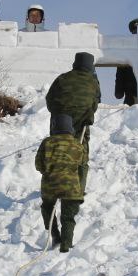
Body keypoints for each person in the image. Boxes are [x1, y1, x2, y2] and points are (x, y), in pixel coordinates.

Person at [45, 52, 100, 188]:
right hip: (81, 124)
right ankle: (78, 189)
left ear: (75, 63)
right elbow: (95, 103)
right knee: (81, 155)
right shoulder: (93, 82)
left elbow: (49, 99)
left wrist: (58, 113)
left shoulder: (62, 78)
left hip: (59, 122)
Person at [36, 113, 86, 253]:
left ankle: (55, 236)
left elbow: (38, 165)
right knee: (68, 216)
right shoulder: (77, 144)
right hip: (71, 188)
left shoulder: (47, 142)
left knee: (47, 209)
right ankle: (66, 244)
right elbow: (81, 163)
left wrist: (49, 171)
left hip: (50, 186)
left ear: (54, 126)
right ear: (70, 127)